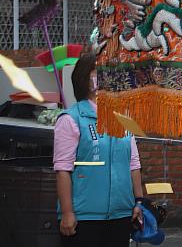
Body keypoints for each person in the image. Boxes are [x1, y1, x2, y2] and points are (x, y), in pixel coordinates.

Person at [53, 54, 144, 247]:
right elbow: (63, 169)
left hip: (121, 215)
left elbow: (134, 163)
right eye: (101, 71)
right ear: (85, 79)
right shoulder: (70, 119)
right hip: (84, 218)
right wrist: (68, 212)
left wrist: (138, 201)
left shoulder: (123, 117)